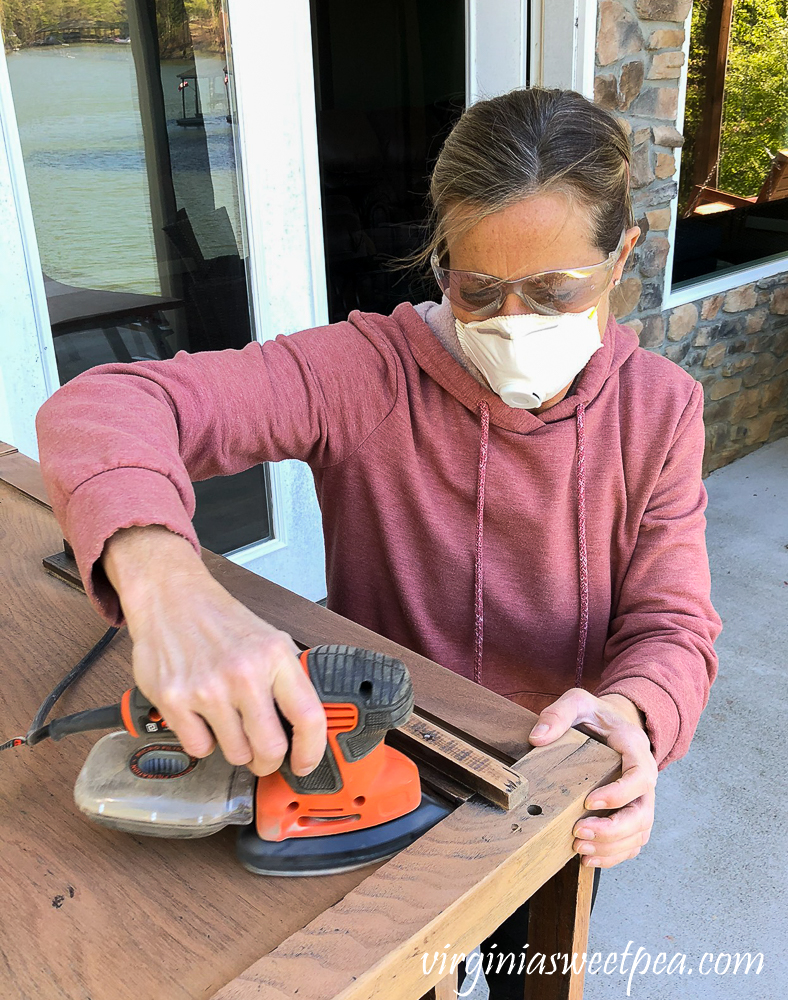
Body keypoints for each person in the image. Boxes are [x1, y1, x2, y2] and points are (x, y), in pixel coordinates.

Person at [36, 87, 721, 998]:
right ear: (441, 258)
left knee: (535, 970)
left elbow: (673, 622)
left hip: (552, 785)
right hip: (374, 762)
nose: (514, 320)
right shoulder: (368, 374)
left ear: (623, 255)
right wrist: (165, 579)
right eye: (478, 288)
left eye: (556, 291)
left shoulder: (660, 409)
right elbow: (106, 404)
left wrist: (635, 720)